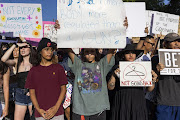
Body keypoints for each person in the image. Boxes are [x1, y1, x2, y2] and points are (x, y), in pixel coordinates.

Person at [107, 44, 157, 120]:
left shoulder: (142, 67)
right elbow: (110, 87)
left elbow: (149, 89)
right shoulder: (117, 67)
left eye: (133, 53)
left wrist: (153, 81)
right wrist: (114, 75)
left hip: (138, 100)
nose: (131, 55)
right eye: (128, 53)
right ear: (123, 55)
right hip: (122, 101)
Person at [66, 47, 115, 120]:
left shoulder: (102, 65)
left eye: (92, 51)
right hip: (80, 110)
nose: (89, 54)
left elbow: (111, 50)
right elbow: (69, 50)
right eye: (87, 52)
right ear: (83, 53)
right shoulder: (78, 65)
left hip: (99, 110)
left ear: (96, 52)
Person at [25, 38, 68, 120]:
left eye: (51, 50)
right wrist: (38, 109)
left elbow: (63, 89)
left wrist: (56, 108)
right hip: (41, 113)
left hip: (57, 112)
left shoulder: (58, 68)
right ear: (40, 51)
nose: (49, 52)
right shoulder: (34, 70)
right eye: (46, 49)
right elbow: (32, 92)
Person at [1, 41, 37, 120]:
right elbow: (3, 59)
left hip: (33, 93)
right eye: (21, 48)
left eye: (25, 47)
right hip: (20, 94)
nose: (22, 49)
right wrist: (15, 45)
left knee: (34, 118)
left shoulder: (35, 63)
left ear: (30, 49)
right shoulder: (17, 62)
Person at [152, 33, 180, 120]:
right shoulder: (156, 59)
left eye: (178, 41)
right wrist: (157, 71)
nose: (177, 44)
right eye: (173, 41)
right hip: (164, 103)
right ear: (165, 44)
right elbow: (151, 82)